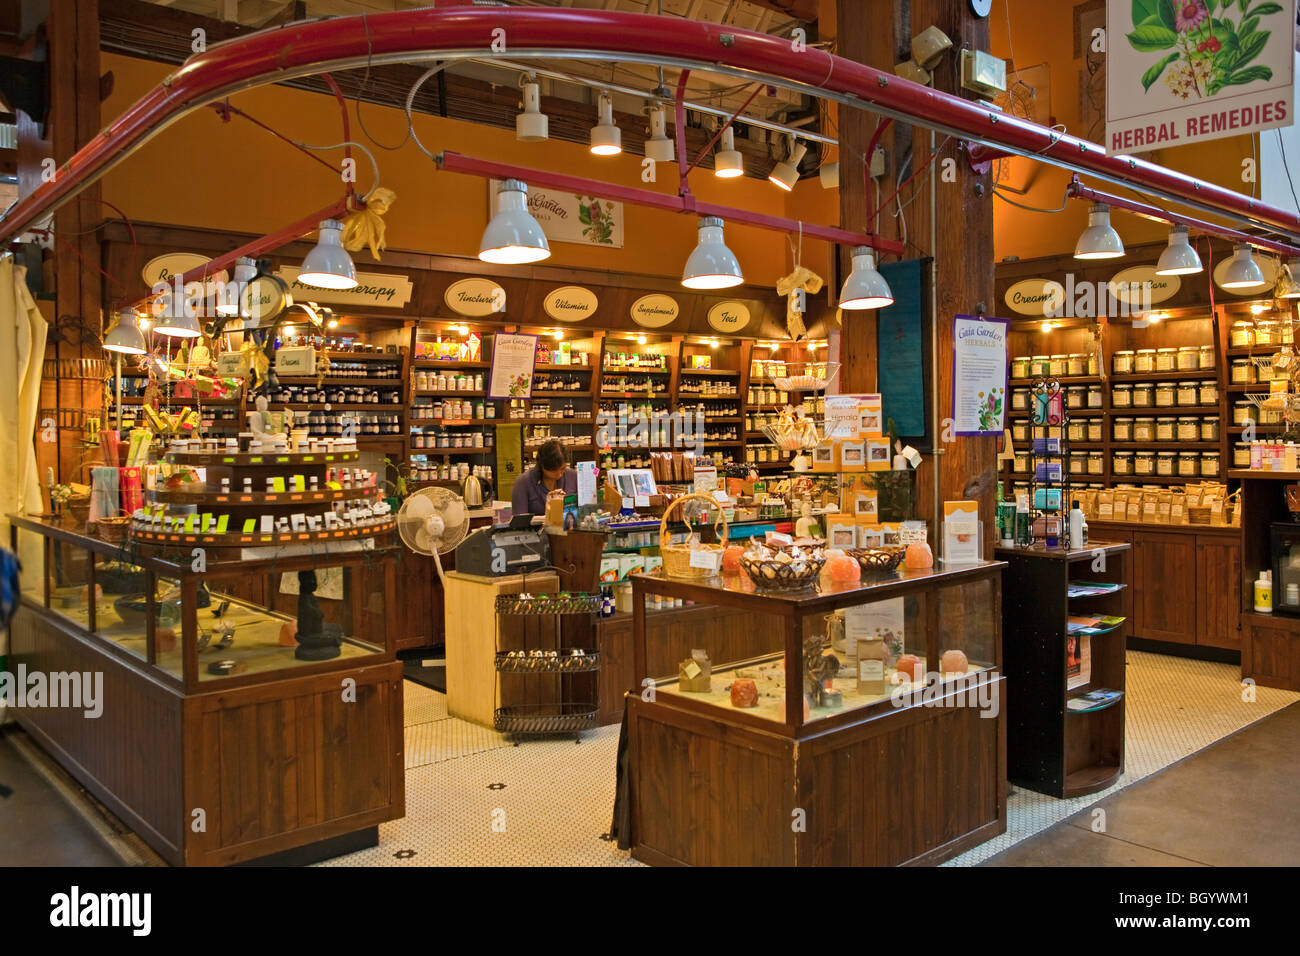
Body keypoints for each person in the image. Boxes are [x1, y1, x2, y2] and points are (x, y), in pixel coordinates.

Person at [511, 438, 578, 517]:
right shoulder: (523, 482)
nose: (559, 474)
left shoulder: (573, 476)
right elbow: (520, 521)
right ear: (542, 466)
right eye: (554, 471)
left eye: (562, 469)